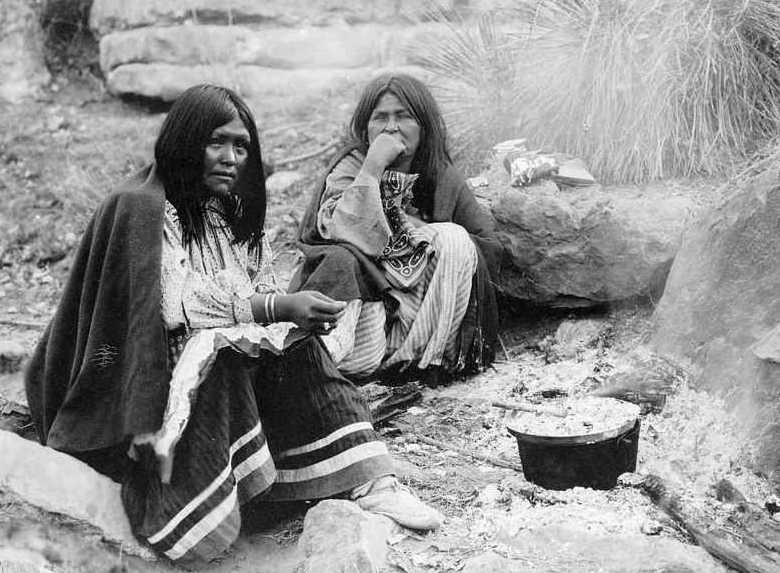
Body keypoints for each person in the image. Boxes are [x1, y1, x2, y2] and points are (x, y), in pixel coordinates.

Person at [24, 84, 441, 566]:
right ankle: (205, 500)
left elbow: (254, 287)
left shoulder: (227, 211)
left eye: (241, 146)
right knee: (220, 355)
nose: (230, 158)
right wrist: (277, 307)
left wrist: (288, 319)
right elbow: (177, 307)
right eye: (216, 142)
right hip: (132, 389)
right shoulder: (140, 206)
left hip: (203, 360)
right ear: (184, 142)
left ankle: (370, 480)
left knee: (297, 347)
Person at [290, 74, 502, 388]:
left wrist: (420, 234)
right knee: (345, 259)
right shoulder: (350, 168)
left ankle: (424, 362)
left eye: (403, 116)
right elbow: (338, 232)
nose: (391, 127)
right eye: (380, 118)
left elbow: (487, 247)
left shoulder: (439, 175)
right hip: (365, 308)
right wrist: (373, 168)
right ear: (365, 128)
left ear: (423, 127)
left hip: (418, 316)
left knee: (455, 239)